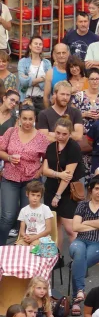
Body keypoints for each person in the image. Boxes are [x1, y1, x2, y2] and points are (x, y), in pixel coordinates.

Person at [0, 105, 49, 245]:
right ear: (19, 119)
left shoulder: (41, 137)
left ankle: (24, 250)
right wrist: (9, 158)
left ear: (35, 119)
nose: (27, 122)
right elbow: (1, 150)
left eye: (31, 119)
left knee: (29, 217)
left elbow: (47, 157)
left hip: (31, 180)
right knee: (7, 216)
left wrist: (39, 172)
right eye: (25, 119)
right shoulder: (11, 132)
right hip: (10, 178)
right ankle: (1, 247)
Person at [69, 174, 99, 306]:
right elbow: (75, 226)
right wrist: (98, 223)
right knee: (79, 252)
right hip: (81, 241)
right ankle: (79, 292)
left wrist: (87, 222)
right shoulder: (82, 205)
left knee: (77, 263)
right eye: (97, 188)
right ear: (90, 189)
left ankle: (76, 300)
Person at [42, 117, 85, 246]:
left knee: (70, 228)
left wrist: (58, 195)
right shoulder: (50, 147)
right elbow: (44, 170)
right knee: (54, 227)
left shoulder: (73, 147)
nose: (60, 136)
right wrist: (59, 174)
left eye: (64, 134)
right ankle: (57, 257)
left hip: (67, 192)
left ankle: (77, 258)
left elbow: (68, 176)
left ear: (70, 133)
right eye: (58, 133)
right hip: (50, 188)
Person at [72, 68, 99, 171]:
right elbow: (71, 115)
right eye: (92, 79)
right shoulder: (79, 96)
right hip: (84, 136)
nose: (95, 81)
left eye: (97, 79)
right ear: (88, 80)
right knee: (83, 167)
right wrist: (84, 114)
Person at [16, 180, 53, 246]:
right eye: (33, 195)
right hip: (28, 237)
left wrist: (34, 238)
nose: (35, 198)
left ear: (41, 196)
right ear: (27, 194)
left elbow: (48, 229)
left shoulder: (45, 209)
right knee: (18, 247)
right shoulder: (23, 210)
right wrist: (25, 236)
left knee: (33, 247)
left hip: (42, 238)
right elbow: (22, 230)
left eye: (38, 196)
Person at [17, 35, 50, 108]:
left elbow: (49, 84)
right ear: (30, 46)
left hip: (41, 99)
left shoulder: (47, 63)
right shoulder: (22, 62)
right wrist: (42, 79)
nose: (38, 46)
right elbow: (23, 82)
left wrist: (28, 79)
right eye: (36, 43)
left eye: (40, 44)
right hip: (26, 99)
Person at [42, 42, 69, 108]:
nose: (61, 55)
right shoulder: (50, 73)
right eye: (58, 53)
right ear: (54, 55)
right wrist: (48, 113)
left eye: (64, 53)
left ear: (68, 53)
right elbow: (46, 97)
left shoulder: (74, 70)